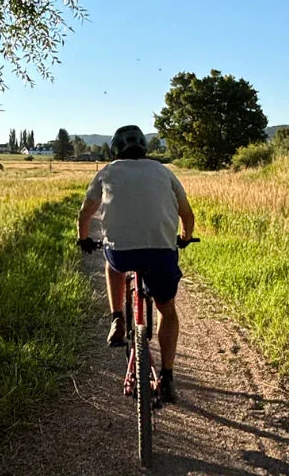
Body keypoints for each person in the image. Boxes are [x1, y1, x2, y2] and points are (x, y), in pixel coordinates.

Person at [76, 124, 195, 403]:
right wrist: (185, 237)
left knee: (112, 262)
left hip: (123, 254)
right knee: (167, 309)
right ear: (144, 147)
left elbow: (85, 213)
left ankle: (117, 318)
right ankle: (166, 376)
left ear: (115, 149)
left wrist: (83, 239)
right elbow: (187, 214)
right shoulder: (164, 172)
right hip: (161, 254)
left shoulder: (106, 172)